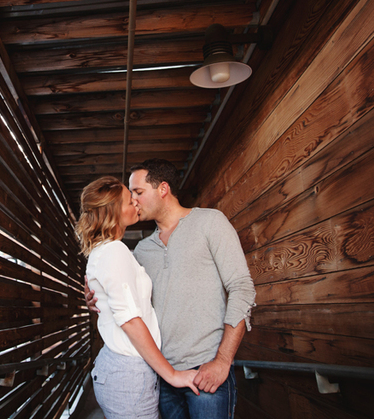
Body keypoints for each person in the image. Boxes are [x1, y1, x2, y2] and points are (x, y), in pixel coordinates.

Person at [85, 159, 256, 419]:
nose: (134, 202)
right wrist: (97, 300)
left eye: (138, 193)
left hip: (206, 372)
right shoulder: (140, 251)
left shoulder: (210, 222)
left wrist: (222, 361)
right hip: (161, 376)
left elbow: (242, 288)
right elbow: (128, 305)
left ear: (163, 189)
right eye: (130, 196)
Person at [78, 176, 199, 419]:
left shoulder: (108, 251)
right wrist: (172, 375)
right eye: (128, 199)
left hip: (124, 370)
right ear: (113, 211)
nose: (135, 202)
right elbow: (130, 320)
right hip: (128, 375)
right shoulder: (114, 251)